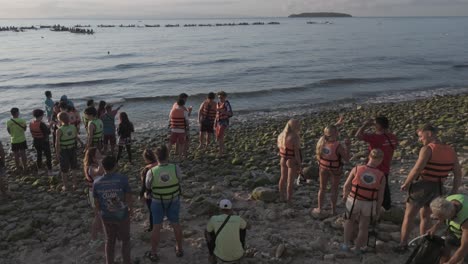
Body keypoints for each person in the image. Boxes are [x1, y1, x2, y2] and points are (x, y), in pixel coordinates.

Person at [394, 124, 462, 253]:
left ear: (429, 134)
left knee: (409, 216)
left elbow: (417, 169)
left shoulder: (427, 149)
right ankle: (423, 243)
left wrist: (407, 183)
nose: (420, 139)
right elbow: (458, 173)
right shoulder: (451, 150)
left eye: (421, 136)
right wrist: (454, 191)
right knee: (426, 216)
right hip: (438, 188)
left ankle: (403, 244)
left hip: (422, 187)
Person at [342, 149, 386, 254]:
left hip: (354, 200)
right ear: (380, 160)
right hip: (369, 203)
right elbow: (380, 196)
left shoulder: (357, 169)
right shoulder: (381, 175)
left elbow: (346, 186)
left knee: (349, 222)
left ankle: (345, 244)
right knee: (364, 226)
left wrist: (345, 196)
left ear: (369, 157)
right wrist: (378, 210)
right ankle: (357, 248)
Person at [145, 145, 183, 261]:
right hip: (173, 199)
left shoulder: (151, 171)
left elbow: (147, 186)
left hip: (157, 201)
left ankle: (154, 252)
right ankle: (179, 249)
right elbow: (179, 179)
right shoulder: (175, 168)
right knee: (175, 224)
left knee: (156, 227)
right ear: (168, 155)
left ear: (156, 157)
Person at [93, 156, 133, 264]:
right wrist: (130, 209)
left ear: (103, 167)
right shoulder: (123, 179)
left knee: (109, 242)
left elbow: (96, 203)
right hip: (122, 215)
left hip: (106, 216)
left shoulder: (96, 182)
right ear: (115, 165)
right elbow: (128, 196)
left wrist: (98, 216)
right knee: (125, 240)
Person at [355, 116, 398, 210]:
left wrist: (365, 125)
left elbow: (357, 135)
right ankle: (386, 206)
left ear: (378, 126)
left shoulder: (375, 137)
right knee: (384, 188)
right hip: (386, 166)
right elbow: (394, 146)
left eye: (375, 124)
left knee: (372, 187)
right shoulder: (393, 137)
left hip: (375, 167)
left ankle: (373, 207)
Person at [313, 122, 350, 216]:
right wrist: (348, 146)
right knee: (334, 189)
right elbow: (346, 159)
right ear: (336, 133)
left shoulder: (321, 143)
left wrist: (338, 122)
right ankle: (333, 210)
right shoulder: (338, 145)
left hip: (323, 168)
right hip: (335, 169)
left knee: (322, 188)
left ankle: (319, 208)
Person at [205, 199, 247, 264]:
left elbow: (208, 231)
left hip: (221, 256)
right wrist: (239, 217)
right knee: (242, 228)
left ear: (220, 209)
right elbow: (248, 226)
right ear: (231, 208)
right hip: (238, 255)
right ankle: (241, 248)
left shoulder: (214, 219)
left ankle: (211, 254)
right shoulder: (238, 218)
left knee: (207, 231)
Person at [428, 196, 468, 264]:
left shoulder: (465, 220)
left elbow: (464, 247)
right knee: (446, 247)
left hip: (465, 229)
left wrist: (450, 263)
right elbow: (441, 214)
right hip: (454, 228)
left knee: (464, 258)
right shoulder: (446, 202)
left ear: (451, 215)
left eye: (441, 217)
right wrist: (435, 227)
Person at [277, 119, 302, 202]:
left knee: (282, 178)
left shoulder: (281, 135)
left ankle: (281, 196)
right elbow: (297, 153)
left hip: (283, 159)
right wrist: (299, 164)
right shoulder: (294, 137)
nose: (299, 126)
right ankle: (289, 199)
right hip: (291, 160)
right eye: (298, 125)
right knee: (290, 181)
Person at [84, 147, 105, 243]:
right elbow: (99, 172)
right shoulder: (91, 168)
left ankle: (101, 234)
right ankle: (93, 238)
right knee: (98, 216)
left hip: (100, 193)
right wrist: (101, 161)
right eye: (98, 153)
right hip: (94, 195)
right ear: (93, 157)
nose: (100, 154)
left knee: (100, 216)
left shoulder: (96, 165)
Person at [55, 112, 79, 191]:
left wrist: (57, 153)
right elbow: (75, 138)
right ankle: (75, 184)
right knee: (74, 168)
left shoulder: (59, 130)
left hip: (64, 151)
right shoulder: (73, 127)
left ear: (59, 120)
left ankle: (66, 186)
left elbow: (57, 143)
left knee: (64, 169)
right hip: (72, 149)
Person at [140, 149, 158, 232]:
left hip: (151, 193)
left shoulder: (146, 169)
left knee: (152, 211)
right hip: (161, 191)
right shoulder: (159, 164)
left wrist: (141, 195)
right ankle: (159, 225)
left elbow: (144, 184)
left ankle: (152, 228)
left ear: (145, 159)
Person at [30, 109, 53, 175]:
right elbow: (48, 132)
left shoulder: (31, 122)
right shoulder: (41, 124)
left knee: (39, 155)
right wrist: (50, 125)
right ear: (41, 115)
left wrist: (46, 127)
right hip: (44, 142)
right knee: (48, 156)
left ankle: (39, 170)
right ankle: (50, 171)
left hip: (36, 141)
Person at [6, 107, 28, 173]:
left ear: (12, 114)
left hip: (14, 140)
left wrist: (13, 134)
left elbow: (9, 131)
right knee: (23, 153)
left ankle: (18, 168)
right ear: (17, 113)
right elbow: (25, 129)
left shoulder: (8, 122)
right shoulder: (22, 120)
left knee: (16, 154)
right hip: (22, 139)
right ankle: (25, 167)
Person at [215, 91, 233, 156]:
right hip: (218, 121)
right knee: (220, 137)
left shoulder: (226, 104)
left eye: (221, 98)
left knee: (220, 135)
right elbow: (216, 114)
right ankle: (223, 149)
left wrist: (223, 111)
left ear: (225, 97)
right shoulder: (217, 103)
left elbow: (230, 113)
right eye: (219, 98)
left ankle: (220, 152)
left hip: (224, 121)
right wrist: (215, 123)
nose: (220, 99)